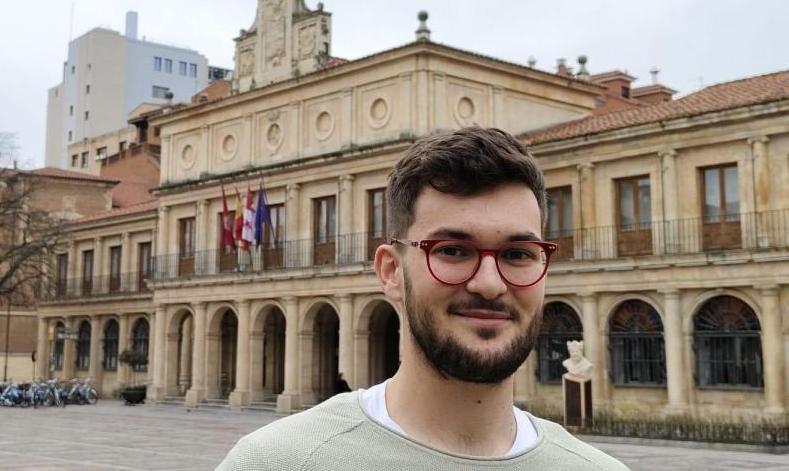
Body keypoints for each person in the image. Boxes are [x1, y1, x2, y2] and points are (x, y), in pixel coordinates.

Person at [217, 127, 627, 470]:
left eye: (517, 254)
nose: (489, 284)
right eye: (452, 250)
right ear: (391, 271)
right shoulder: (273, 463)